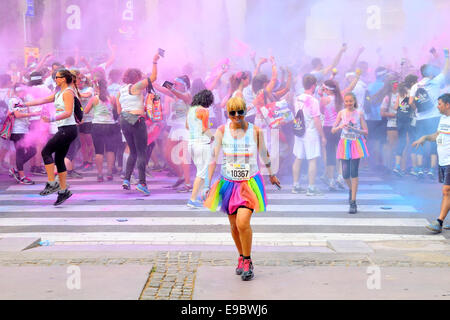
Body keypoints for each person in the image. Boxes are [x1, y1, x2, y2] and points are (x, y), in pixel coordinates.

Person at [204, 96, 281, 281]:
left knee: (243, 223)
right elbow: (213, 158)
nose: (237, 116)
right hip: (228, 183)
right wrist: (207, 184)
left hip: (249, 183)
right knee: (233, 225)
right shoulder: (222, 131)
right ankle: (241, 256)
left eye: (241, 112)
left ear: (246, 111)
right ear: (228, 114)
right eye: (233, 113)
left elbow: (264, 153)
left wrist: (271, 173)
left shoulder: (255, 131)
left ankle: (247, 260)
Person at [23, 69, 79, 206]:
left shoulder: (68, 92)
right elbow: (43, 100)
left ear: (64, 79)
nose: (55, 79)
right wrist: (24, 104)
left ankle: (52, 183)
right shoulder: (59, 92)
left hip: (68, 129)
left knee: (45, 152)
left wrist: (50, 119)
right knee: (58, 159)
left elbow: (68, 112)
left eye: (58, 77)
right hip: (64, 129)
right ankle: (63, 190)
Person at [116, 52, 159, 195]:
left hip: (124, 120)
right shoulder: (135, 87)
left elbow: (119, 109)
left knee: (132, 151)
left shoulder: (120, 90)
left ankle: (126, 179)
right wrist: (154, 62)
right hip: (136, 120)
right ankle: (142, 183)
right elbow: (153, 78)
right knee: (141, 152)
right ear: (137, 79)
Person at [409, 48, 449, 179]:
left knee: (420, 141)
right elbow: (445, 70)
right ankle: (432, 170)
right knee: (434, 143)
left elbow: (410, 102)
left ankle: (419, 169)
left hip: (421, 119)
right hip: (435, 118)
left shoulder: (416, 86)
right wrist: (447, 56)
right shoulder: (435, 82)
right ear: (430, 73)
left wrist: (417, 110)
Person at [413, 93, 450, 233]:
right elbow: (437, 135)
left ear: (447, 105)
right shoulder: (443, 118)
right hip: (443, 160)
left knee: (446, 191)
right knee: (448, 192)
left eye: (439, 103)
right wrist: (425, 137)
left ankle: (439, 222)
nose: (437, 106)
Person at [332, 92, 369, 214]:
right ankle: (351, 189)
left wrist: (354, 129)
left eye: (350, 101)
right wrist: (340, 126)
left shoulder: (359, 113)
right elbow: (333, 130)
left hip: (356, 144)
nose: (348, 103)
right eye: (346, 101)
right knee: (345, 174)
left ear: (354, 101)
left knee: (354, 173)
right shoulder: (341, 113)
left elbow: (365, 132)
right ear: (344, 102)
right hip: (344, 144)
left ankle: (353, 202)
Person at [292, 74, 326, 196]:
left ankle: (296, 185)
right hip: (310, 132)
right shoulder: (313, 101)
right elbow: (316, 120)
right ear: (313, 85)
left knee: (298, 157)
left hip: (299, 131)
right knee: (312, 159)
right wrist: (323, 136)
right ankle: (311, 188)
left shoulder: (297, 98)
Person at [186, 89, 215, 208]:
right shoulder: (204, 111)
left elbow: (187, 126)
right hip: (202, 144)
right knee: (202, 173)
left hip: (191, 144)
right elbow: (204, 129)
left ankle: (199, 197)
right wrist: (212, 137)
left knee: (200, 171)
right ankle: (192, 199)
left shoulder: (191, 110)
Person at [84, 79, 116, 181]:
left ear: (97, 87)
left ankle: (100, 174)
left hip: (97, 125)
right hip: (110, 125)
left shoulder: (94, 99)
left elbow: (85, 111)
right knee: (110, 150)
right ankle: (110, 173)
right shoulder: (112, 98)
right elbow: (116, 110)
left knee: (99, 151)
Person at [7, 85, 40, 184]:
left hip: (24, 130)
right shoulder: (14, 100)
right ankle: (22, 177)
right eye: (22, 90)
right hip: (18, 131)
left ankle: (16, 170)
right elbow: (17, 115)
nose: (24, 92)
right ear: (17, 91)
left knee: (33, 150)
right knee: (20, 152)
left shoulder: (22, 100)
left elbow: (13, 112)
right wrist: (32, 114)